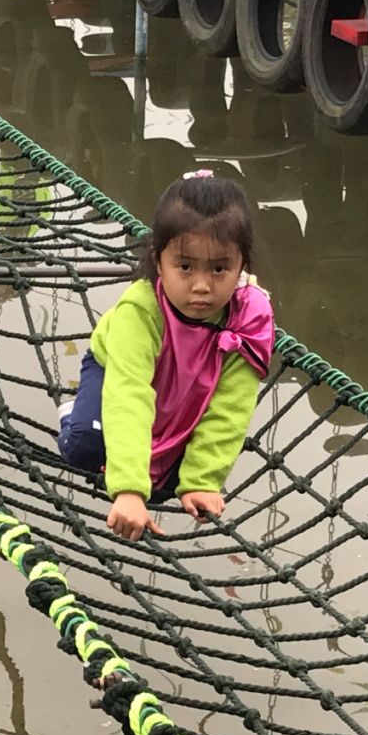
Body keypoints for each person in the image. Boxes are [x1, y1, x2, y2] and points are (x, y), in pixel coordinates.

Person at [57, 170, 275, 540]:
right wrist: (128, 489)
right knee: (85, 448)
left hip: (193, 379)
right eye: (185, 267)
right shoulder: (139, 311)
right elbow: (129, 393)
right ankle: (73, 412)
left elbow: (231, 406)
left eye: (220, 268)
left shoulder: (250, 318)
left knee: (169, 487)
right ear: (159, 262)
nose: (202, 286)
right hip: (119, 370)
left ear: (242, 267)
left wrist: (202, 480)